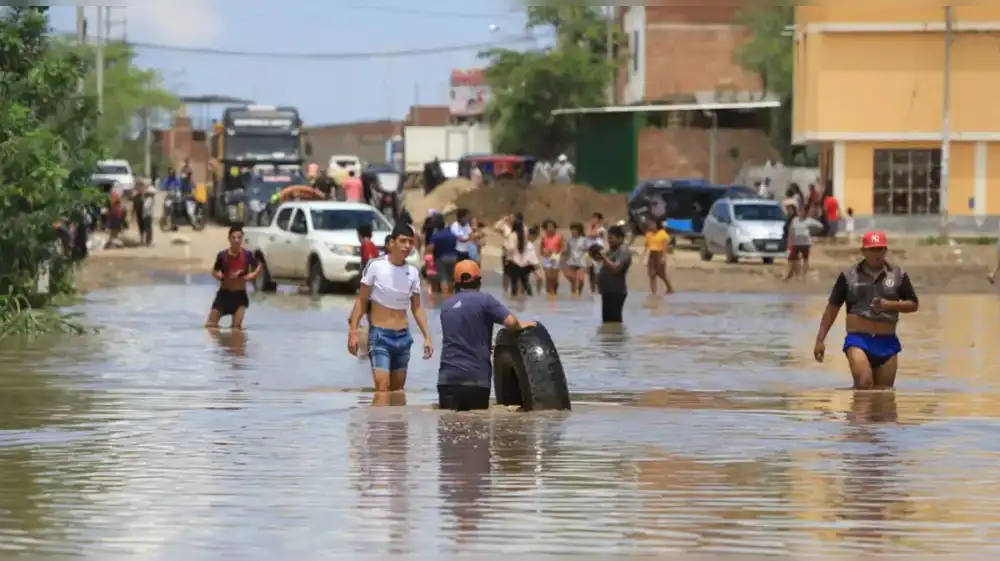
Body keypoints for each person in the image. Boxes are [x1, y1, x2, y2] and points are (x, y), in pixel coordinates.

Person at [814, 231, 919, 389]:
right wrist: (820, 340)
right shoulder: (848, 276)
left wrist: (888, 305)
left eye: (880, 249)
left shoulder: (898, 275)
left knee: (883, 395)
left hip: (887, 342)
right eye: (872, 250)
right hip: (859, 340)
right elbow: (832, 309)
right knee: (864, 384)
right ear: (863, 251)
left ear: (886, 250)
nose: (877, 254)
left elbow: (913, 304)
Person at [347, 222, 434, 394]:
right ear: (391, 243)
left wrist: (427, 337)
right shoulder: (375, 266)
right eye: (403, 241)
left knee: (397, 391)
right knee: (383, 388)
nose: (407, 246)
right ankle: (377, 420)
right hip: (380, 336)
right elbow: (362, 301)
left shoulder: (413, 272)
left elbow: (416, 308)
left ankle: (393, 422)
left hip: (403, 337)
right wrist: (353, 332)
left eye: (410, 242)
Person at [438, 260, 534, 411]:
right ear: (479, 281)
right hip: (476, 379)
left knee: (449, 428)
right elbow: (511, 322)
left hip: (447, 380)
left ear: (455, 282)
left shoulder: (446, 306)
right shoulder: (485, 300)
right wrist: (520, 325)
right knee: (477, 429)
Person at [206, 225, 261, 330]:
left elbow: (258, 266)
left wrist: (252, 275)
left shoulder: (247, 255)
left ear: (242, 238)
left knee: (236, 330)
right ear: (229, 239)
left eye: (239, 237)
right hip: (224, 295)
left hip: (240, 297)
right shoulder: (222, 256)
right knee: (210, 326)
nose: (236, 240)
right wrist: (222, 277)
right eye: (233, 237)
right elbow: (214, 271)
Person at [592, 225, 632, 324]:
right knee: (607, 322)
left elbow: (616, 269)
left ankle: (617, 338)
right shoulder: (610, 252)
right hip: (607, 291)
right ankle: (611, 338)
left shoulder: (623, 252)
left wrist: (603, 257)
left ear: (620, 238)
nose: (609, 241)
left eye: (612, 238)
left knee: (614, 322)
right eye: (608, 238)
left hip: (616, 291)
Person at [497, 214, 536, 296]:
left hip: (514, 261)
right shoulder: (524, 234)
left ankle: (514, 300)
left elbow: (511, 248)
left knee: (514, 282)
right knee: (525, 282)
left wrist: (505, 248)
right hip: (523, 262)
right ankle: (529, 297)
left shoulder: (513, 235)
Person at [784, 206, 823, 281]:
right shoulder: (795, 220)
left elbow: (820, 226)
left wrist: (813, 232)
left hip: (806, 243)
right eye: (800, 211)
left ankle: (803, 276)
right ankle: (793, 274)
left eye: (803, 212)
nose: (801, 213)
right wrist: (789, 242)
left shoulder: (809, 221)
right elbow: (791, 231)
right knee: (791, 259)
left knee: (805, 260)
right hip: (796, 243)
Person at [428, 214, 459, 296]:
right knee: (451, 278)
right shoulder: (452, 234)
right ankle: (451, 295)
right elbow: (457, 244)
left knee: (444, 278)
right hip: (453, 257)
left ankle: (445, 297)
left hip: (441, 258)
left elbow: (430, 248)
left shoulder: (436, 235)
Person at [642, 218, 674, 294]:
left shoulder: (663, 234)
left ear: (657, 225)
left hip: (659, 253)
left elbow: (665, 247)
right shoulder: (648, 234)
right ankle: (653, 292)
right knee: (651, 274)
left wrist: (663, 257)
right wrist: (644, 256)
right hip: (651, 254)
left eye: (652, 224)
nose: (650, 226)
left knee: (661, 274)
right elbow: (646, 246)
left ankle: (670, 288)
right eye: (649, 224)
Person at [562, 222, 588, 295]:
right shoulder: (569, 239)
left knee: (580, 280)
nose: (573, 231)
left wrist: (588, 261)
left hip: (581, 262)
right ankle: (574, 297)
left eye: (575, 229)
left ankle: (579, 293)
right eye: (572, 229)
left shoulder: (584, 239)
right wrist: (563, 252)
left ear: (579, 230)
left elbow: (587, 251)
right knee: (573, 280)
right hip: (572, 262)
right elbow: (566, 250)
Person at [585, 212, 607, 294]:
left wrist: (590, 232)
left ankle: (599, 288)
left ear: (600, 220)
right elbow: (588, 236)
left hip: (598, 250)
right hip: (589, 251)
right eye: (592, 218)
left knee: (598, 271)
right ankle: (592, 289)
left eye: (595, 218)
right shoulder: (590, 228)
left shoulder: (601, 229)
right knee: (590, 271)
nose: (593, 220)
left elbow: (593, 235)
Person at [540, 219, 563, 294]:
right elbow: (541, 247)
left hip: (555, 256)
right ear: (545, 229)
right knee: (548, 276)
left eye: (551, 227)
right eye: (548, 227)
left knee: (554, 277)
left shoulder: (559, 237)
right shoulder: (544, 237)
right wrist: (543, 253)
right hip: (546, 257)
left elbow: (562, 247)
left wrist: (559, 254)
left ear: (555, 227)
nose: (550, 229)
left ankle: (554, 290)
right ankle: (549, 292)